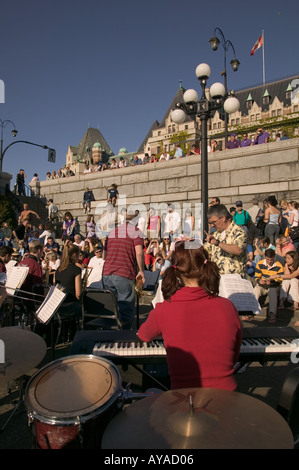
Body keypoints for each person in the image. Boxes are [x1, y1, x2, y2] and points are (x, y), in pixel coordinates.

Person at [138, 243, 242, 391]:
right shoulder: (228, 306)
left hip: (184, 398)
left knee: (151, 393)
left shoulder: (164, 308)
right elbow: (234, 356)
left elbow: (144, 335)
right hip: (227, 395)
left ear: (176, 269)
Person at [102, 213, 145, 328]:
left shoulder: (111, 232)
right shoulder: (135, 231)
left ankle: (111, 337)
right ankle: (124, 338)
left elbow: (104, 256)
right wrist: (141, 270)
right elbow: (139, 253)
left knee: (112, 309)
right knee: (125, 312)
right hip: (124, 273)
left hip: (107, 273)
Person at [204, 204, 247, 277]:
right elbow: (204, 250)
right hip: (218, 278)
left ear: (223, 218)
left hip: (235, 279)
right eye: (210, 223)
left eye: (213, 222)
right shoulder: (215, 234)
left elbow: (238, 250)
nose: (212, 225)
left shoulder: (239, 232)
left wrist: (218, 243)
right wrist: (190, 243)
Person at [254, 248, 284, 324]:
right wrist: (259, 281)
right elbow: (257, 277)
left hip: (273, 286)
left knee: (273, 292)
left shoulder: (279, 266)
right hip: (263, 285)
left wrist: (271, 282)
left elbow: (280, 280)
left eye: (271, 260)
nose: (269, 261)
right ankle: (251, 310)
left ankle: (272, 314)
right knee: (256, 290)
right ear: (265, 257)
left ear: (274, 258)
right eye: (267, 260)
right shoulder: (260, 264)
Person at [54, 244, 82, 318]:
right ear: (75, 255)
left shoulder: (58, 269)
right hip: (70, 305)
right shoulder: (76, 269)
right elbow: (78, 294)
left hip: (59, 304)